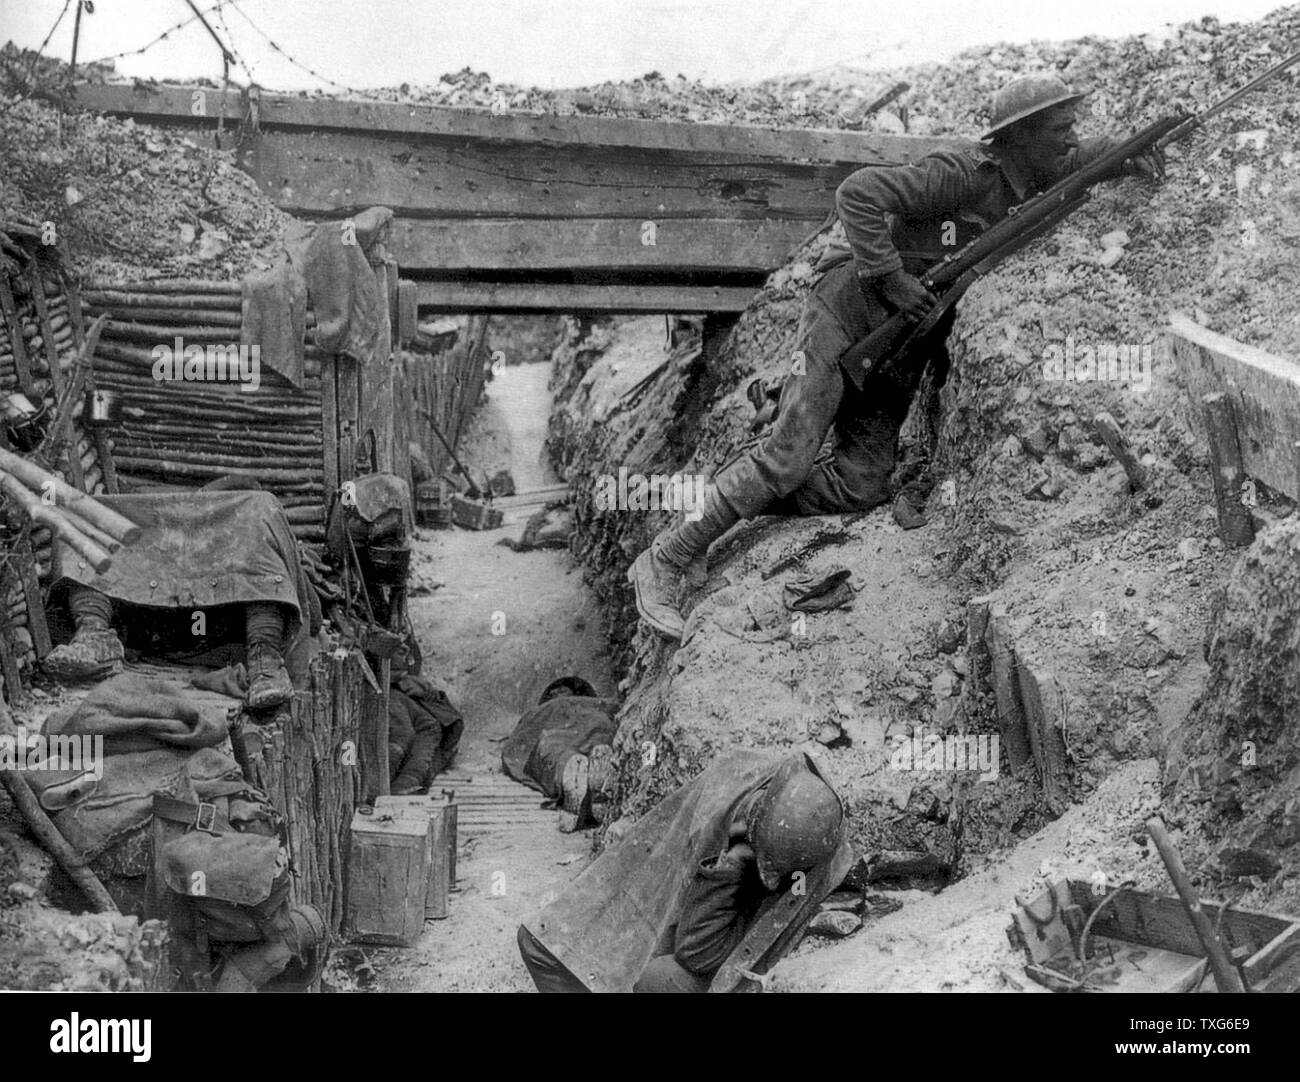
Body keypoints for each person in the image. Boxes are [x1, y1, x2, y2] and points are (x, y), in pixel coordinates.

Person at [628, 74, 1165, 640]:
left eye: (1071, 127)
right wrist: (890, 278)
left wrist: (1132, 154)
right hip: (847, 316)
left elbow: (1085, 157)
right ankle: (668, 556)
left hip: (896, 351)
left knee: (862, 487)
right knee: (787, 460)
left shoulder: (1035, 175)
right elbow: (858, 194)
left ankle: (739, 486)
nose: (1070, 138)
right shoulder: (961, 174)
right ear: (1022, 135)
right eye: (1059, 127)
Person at [517, 750, 850, 992]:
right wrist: (732, 862)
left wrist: (735, 864)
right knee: (543, 943)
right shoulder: (732, 793)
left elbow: (698, 954)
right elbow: (656, 869)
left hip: (721, 947)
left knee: (657, 978)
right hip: (708, 904)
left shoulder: (805, 859)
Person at [43, 485, 318, 710]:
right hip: (149, 623)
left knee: (260, 509)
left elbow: (305, 609)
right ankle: (94, 636)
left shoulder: (248, 508)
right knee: (81, 513)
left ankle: (265, 661)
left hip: (225, 627)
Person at [501, 676, 617, 825]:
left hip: (560, 732)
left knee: (553, 749)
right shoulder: (597, 705)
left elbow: (518, 746)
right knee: (598, 744)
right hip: (596, 724)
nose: (559, 693)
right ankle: (597, 777)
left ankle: (570, 770)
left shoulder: (543, 710)